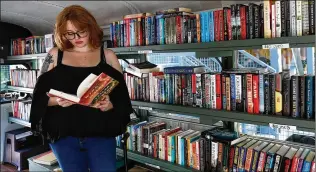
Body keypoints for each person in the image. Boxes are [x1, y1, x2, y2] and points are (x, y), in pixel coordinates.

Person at [29, 5, 133, 172]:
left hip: (101, 135)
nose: (76, 37)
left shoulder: (108, 56)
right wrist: (57, 101)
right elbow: (38, 97)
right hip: (63, 136)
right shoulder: (54, 55)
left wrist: (110, 104)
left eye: (81, 31)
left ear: (91, 28)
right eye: (69, 33)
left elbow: (121, 98)